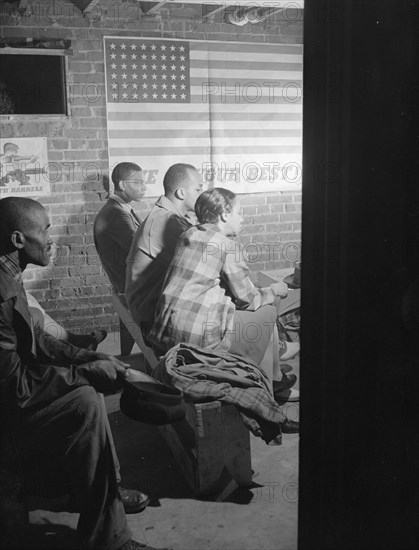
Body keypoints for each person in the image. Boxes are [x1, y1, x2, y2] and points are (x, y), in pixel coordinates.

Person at [0, 196, 166, 550]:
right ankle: (111, 539)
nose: (51, 239)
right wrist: (88, 374)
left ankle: (104, 490)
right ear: (18, 240)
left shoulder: (9, 275)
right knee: (85, 402)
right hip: (6, 418)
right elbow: (15, 388)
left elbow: (38, 340)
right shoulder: (1, 292)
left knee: (85, 390)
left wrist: (87, 356)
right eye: (44, 230)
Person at [147, 188, 300, 399]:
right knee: (266, 312)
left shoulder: (188, 234)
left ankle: (276, 379)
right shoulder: (228, 246)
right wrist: (276, 290)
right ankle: (269, 389)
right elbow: (249, 300)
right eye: (239, 212)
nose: (243, 219)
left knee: (257, 316)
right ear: (225, 215)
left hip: (166, 331)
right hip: (195, 340)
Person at [125, 163, 203, 339]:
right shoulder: (165, 223)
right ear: (181, 193)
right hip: (151, 315)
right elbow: (199, 269)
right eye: (198, 189)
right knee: (256, 314)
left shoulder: (171, 216)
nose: (202, 196)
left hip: (152, 305)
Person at [94, 162, 146, 295]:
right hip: (129, 291)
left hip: (130, 289)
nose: (144, 187)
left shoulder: (121, 209)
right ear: (122, 185)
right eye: (138, 182)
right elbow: (138, 250)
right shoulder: (115, 213)